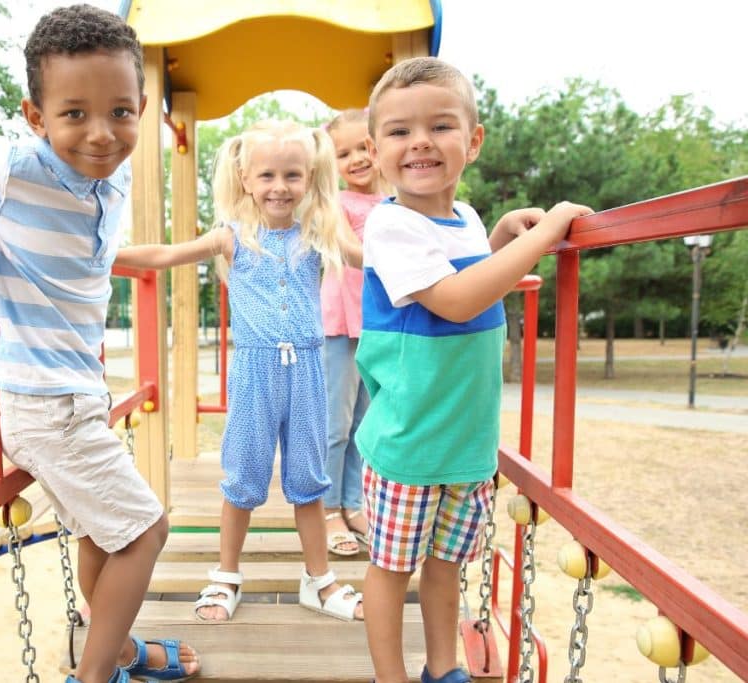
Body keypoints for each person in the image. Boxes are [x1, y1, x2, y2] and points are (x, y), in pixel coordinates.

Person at [0, 6, 199, 683]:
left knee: (105, 530)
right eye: (74, 115)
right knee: (146, 531)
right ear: (35, 115)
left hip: (77, 393)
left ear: (143, 108)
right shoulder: (12, 165)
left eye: (121, 112)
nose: (101, 134)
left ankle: (116, 649)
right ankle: (95, 673)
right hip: (43, 399)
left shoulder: (114, 171)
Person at [357, 56, 592, 683]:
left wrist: (498, 238)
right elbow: (456, 300)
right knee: (391, 567)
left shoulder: (462, 217)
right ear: (376, 150)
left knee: (445, 563)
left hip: (465, 440)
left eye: (441, 126)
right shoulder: (390, 223)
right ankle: (391, 676)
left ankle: (442, 665)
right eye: (399, 132)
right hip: (411, 439)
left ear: (474, 141)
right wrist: (541, 236)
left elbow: (464, 279)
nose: (420, 143)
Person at [115, 119, 366, 623]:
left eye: (292, 175)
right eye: (267, 175)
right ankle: (226, 575)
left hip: (308, 372)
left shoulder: (316, 233)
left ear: (310, 176)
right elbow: (165, 255)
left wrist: (446, 262)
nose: (280, 187)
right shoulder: (233, 237)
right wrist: (102, 257)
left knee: (310, 480)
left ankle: (319, 581)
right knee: (244, 478)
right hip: (255, 372)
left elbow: (370, 259)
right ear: (245, 178)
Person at [320, 109, 384, 557]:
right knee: (336, 423)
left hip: (378, 322)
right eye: (345, 153)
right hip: (341, 322)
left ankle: (353, 501)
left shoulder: (396, 203)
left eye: (365, 146)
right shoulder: (336, 204)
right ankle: (327, 509)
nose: (358, 158)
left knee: (366, 421)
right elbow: (346, 248)